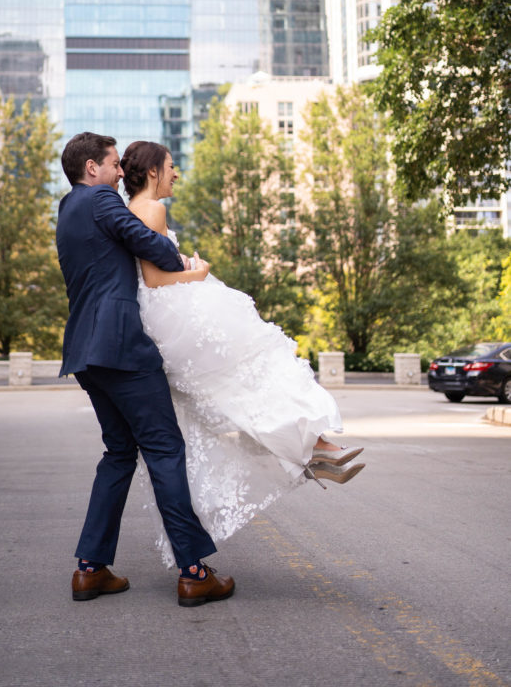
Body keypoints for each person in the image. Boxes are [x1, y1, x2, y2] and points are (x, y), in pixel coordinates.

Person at [120, 139, 365, 567]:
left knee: (240, 394)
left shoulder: (133, 210)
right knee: (257, 369)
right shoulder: (152, 209)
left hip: (162, 321)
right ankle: (315, 449)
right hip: (175, 315)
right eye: (172, 167)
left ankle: (315, 452)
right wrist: (198, 271)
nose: (176, 174)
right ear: (153, 171)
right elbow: (156, 280)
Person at [56, 132, 235, 607]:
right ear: (92, 168)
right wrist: (186, 265)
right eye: (113, 164)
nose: (120, 172)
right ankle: (195, 571)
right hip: (121, 348)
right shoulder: (100, 201)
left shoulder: (67, 209)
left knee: (119, 452)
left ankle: (90, 569)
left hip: (84, 351)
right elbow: (145, 242)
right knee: (163, 448)